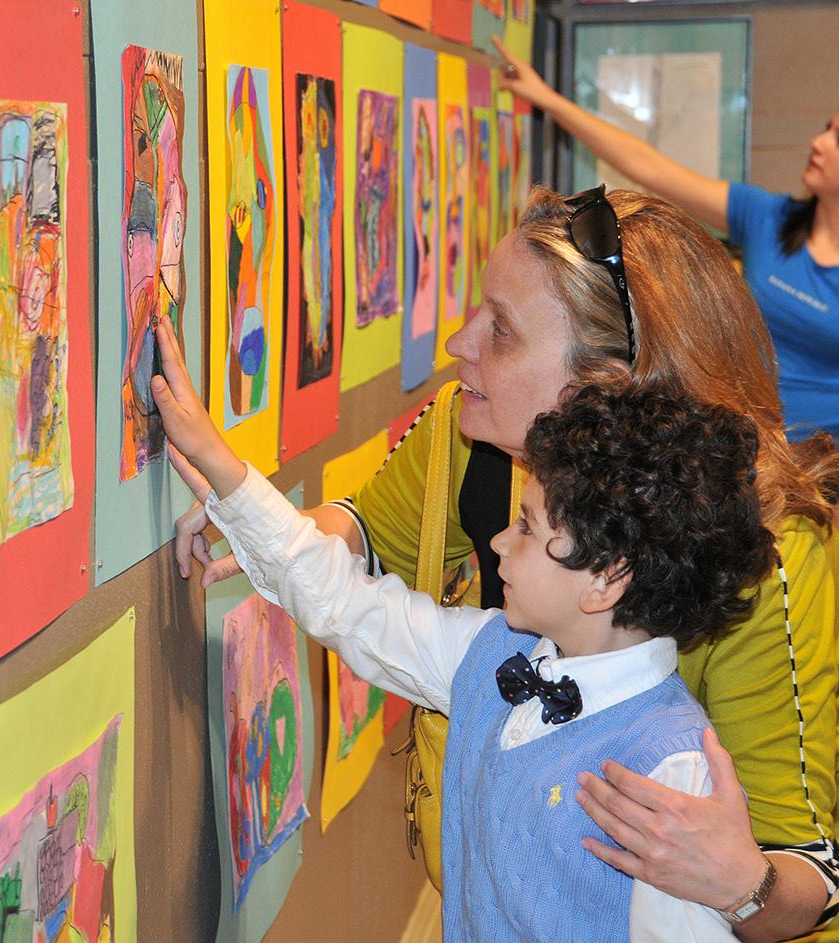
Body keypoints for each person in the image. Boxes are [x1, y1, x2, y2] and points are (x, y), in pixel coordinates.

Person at [175, 186, 839, 940]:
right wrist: (240, 513)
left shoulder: (762, 556)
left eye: (503, 328)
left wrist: (742, 883)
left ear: (605, 384)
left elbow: (802, 868)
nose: (461, 344)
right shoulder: (476, 431)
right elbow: (361, 537)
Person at [156, 306, 768, 939]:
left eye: (528, 528)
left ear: (606, 578)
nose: (499, 543)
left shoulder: (668, 768)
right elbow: (346, 605)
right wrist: (224, 472)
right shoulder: (492, 654)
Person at [493, 40, 839, 610]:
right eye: (828, 128)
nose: (818, 141)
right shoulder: (770, 219)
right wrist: (543, 96)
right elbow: (647, 165)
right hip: (754, 458)